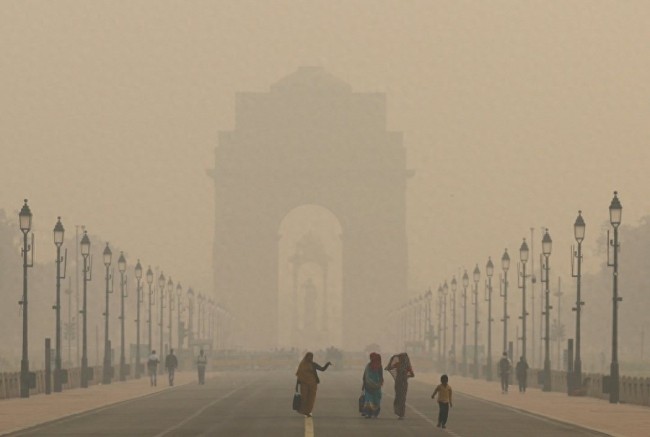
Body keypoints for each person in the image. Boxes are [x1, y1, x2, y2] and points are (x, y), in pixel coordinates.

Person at [295, 352, 332, 417]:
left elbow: (322, 369)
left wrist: (327, 364)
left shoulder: (313, 364)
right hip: (304, 384)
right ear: (306, 357)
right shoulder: (302, 365)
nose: (310, 358)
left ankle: (308, 411)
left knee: (311, 398)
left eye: (311, 357)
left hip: (313, 384)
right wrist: (296, 385)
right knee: (304, 398)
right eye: (309, 356)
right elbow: (299, 375)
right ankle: (302, 410)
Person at [385, 352, 414, 419]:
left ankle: (400, 413)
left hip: (399, 382)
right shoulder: (407, 366)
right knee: (402, 398)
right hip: (403, 383)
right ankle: (401, 414)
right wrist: (406, 376)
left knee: (399, 397)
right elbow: (412, 375)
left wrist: (392, 361)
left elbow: (388, 367)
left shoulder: (398, 364)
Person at [361, 353, 384, 418]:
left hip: (373, 386)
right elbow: (365, 376)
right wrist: (379, 383)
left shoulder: (378, 366)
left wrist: (380, 382)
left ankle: (371, 413)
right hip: (372, 386)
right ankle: (370, 413)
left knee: (374, 400)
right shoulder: (369, 366)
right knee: (370, 400)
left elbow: (381, 376)